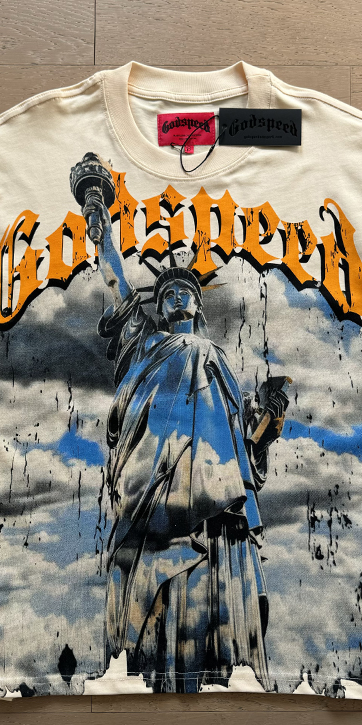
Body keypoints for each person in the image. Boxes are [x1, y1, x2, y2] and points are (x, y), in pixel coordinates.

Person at [85, 191, 288, 693]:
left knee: (210, 594)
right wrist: (99, 223)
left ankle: (216, 669)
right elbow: (115, 280)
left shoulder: (214, 356)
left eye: (185, 292)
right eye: (167, 293)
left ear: (198, 303)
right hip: (154, 486)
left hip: (217, 500)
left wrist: (269, 422)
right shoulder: (145, 344)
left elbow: (245, 446)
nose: (176, 297)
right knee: (159, 578)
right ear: (156, 306)